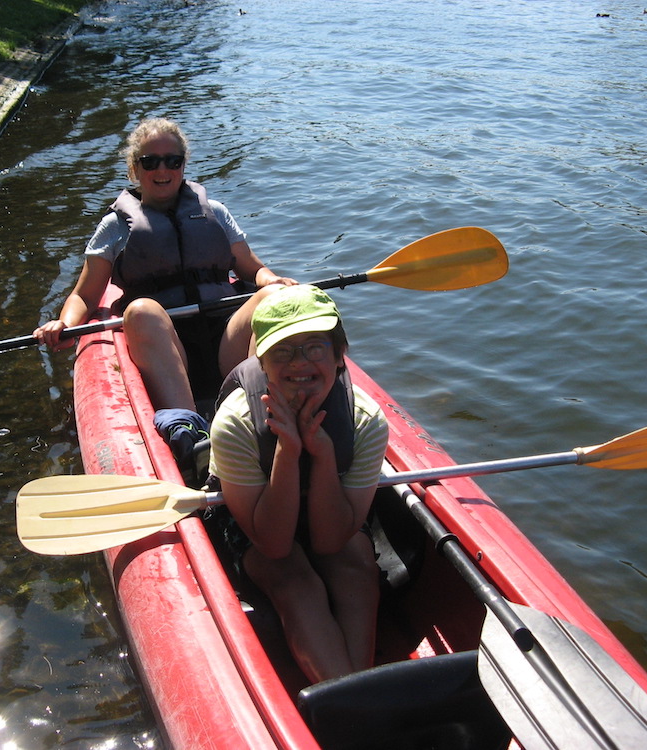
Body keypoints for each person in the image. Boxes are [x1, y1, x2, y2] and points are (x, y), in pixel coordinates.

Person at [34, 118, 296, 456]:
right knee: (141, 310)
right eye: (150, 161)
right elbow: (85, 294)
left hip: (224, 338)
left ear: (183, 165)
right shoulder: (115, 227)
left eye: (172, 160)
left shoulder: (214, 212)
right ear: (134, 168)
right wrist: (65, 324)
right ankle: (194, 434)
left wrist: (273, 282)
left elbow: (252, 268)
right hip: (163, 344)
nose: (163, 169)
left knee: (274, 297)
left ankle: (263, 415)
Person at [208, 285, 390, 683]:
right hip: (257, 523)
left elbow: (329, 542)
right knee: (296, 583)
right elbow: (272, 543)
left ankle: (359, 696)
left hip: (329, 515)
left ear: (340, 355)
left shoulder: (367, 421)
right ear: (264, 365)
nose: (300, 363)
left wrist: (323, 455)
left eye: (314, 348)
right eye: (283, 351)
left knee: (358, 572)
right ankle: (352, 707)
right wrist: (287, 452)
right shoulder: (235, 424)